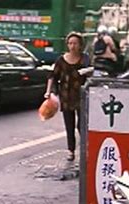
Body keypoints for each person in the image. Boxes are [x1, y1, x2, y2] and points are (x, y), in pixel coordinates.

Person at [44, 32, 89, 162]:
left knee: (82, 125)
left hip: (81, 96)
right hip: (66, 96)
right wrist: (48, 92)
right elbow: (52, 75)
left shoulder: (84, 58)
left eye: (75, 43)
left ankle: (85, 148)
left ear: (80, 45)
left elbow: (91, 73)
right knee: (69, 125)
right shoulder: (61, 60)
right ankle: (71, 151)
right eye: (70, 43)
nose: (72, 46)